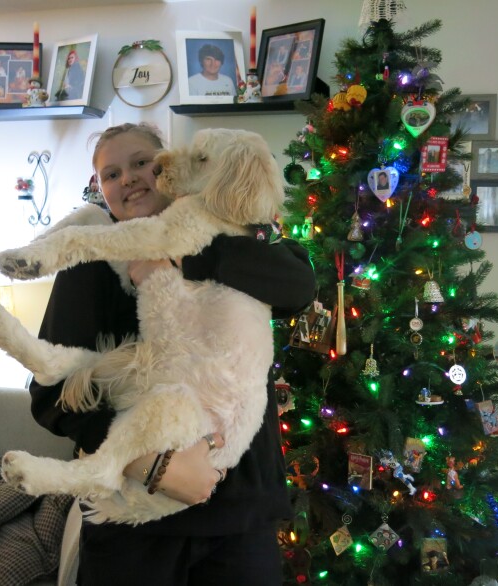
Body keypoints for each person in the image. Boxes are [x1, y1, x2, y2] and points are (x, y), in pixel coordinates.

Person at [29, 123, 317, 585]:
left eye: (141, 162)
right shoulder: (91, 265)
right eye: (110, 174)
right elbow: (51, 396)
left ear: (169, 166)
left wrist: (186, 257)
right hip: (133, 523)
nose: (129, 179)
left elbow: (299, 287)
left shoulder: (236, 233)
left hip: (240, 517)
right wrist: (154, 464)